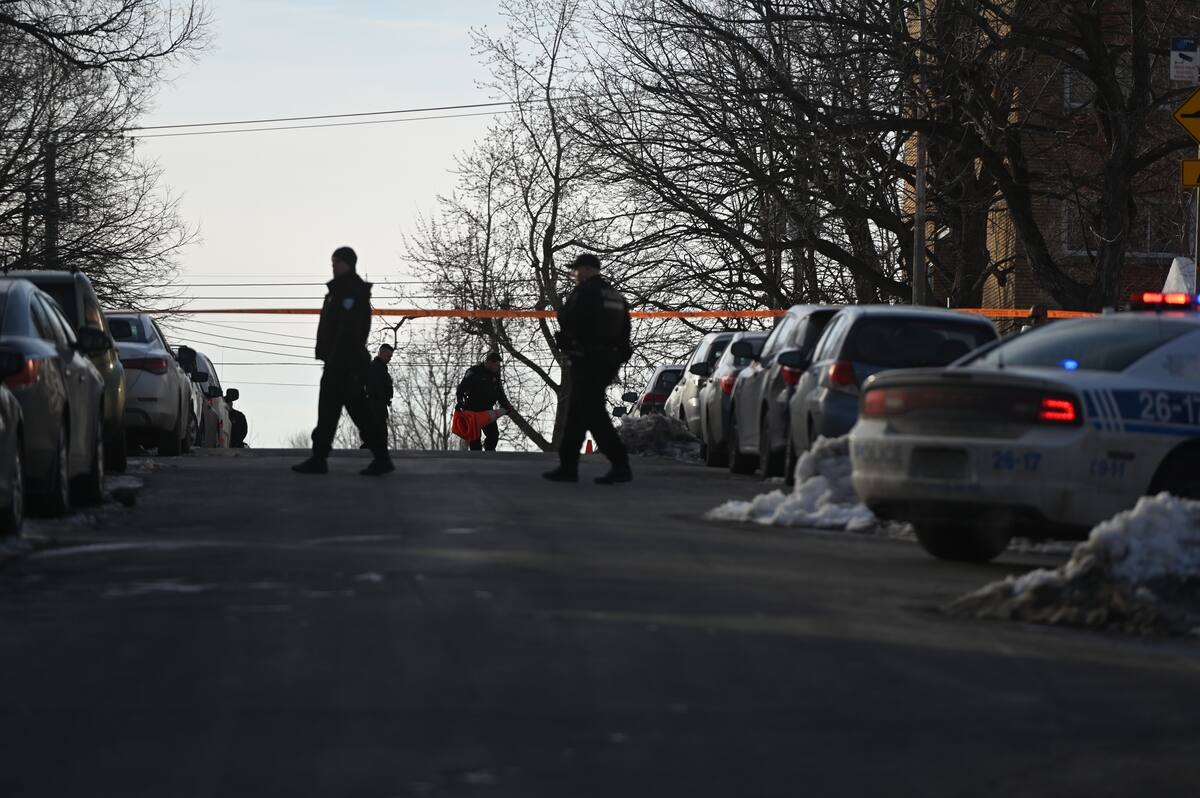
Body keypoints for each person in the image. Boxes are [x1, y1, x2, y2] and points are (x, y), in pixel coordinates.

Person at [292, 246, 394, 476]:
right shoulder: (341, 290)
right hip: (340, 362)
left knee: (356, 412)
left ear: (346, 263)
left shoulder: (350, 291)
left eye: (336, 262)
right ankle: (320, 458)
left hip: (346, 364)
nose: (333, 266)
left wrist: (338, 359)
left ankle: (379, 457)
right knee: (330, 412)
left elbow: (349, 331)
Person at [543, 253, 633, 484]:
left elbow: (568, 319)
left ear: (586, 269)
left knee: (593, 412)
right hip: (607, 361)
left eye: (577, 270)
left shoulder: (585, 292)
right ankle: (568, 466)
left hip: (586, 359)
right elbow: (625, 331)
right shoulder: (614, 295)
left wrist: (568, 333)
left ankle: (620, 463)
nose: (575, 275)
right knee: (577, 411)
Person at [455, 351, 512, 451]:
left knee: (493, 435)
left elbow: (499, 393)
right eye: (496, 364)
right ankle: (477, 462)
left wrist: (506, 406)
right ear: (489, 362)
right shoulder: (474, 372)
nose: (497, 366)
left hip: (487, 411)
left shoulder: (495, 376)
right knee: (475, 440)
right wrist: (460, 401)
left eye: (498, 364)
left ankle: (489, 455)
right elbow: (461, 388)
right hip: (473, 411)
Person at [364, 343, 394, 449]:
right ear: (381, 354)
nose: (389, 359)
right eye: (388, 356)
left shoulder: (380, 368)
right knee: (379, 436)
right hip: (375, 406)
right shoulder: (376, 368)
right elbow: (374, 388)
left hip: (378, 405)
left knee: (377, 436)